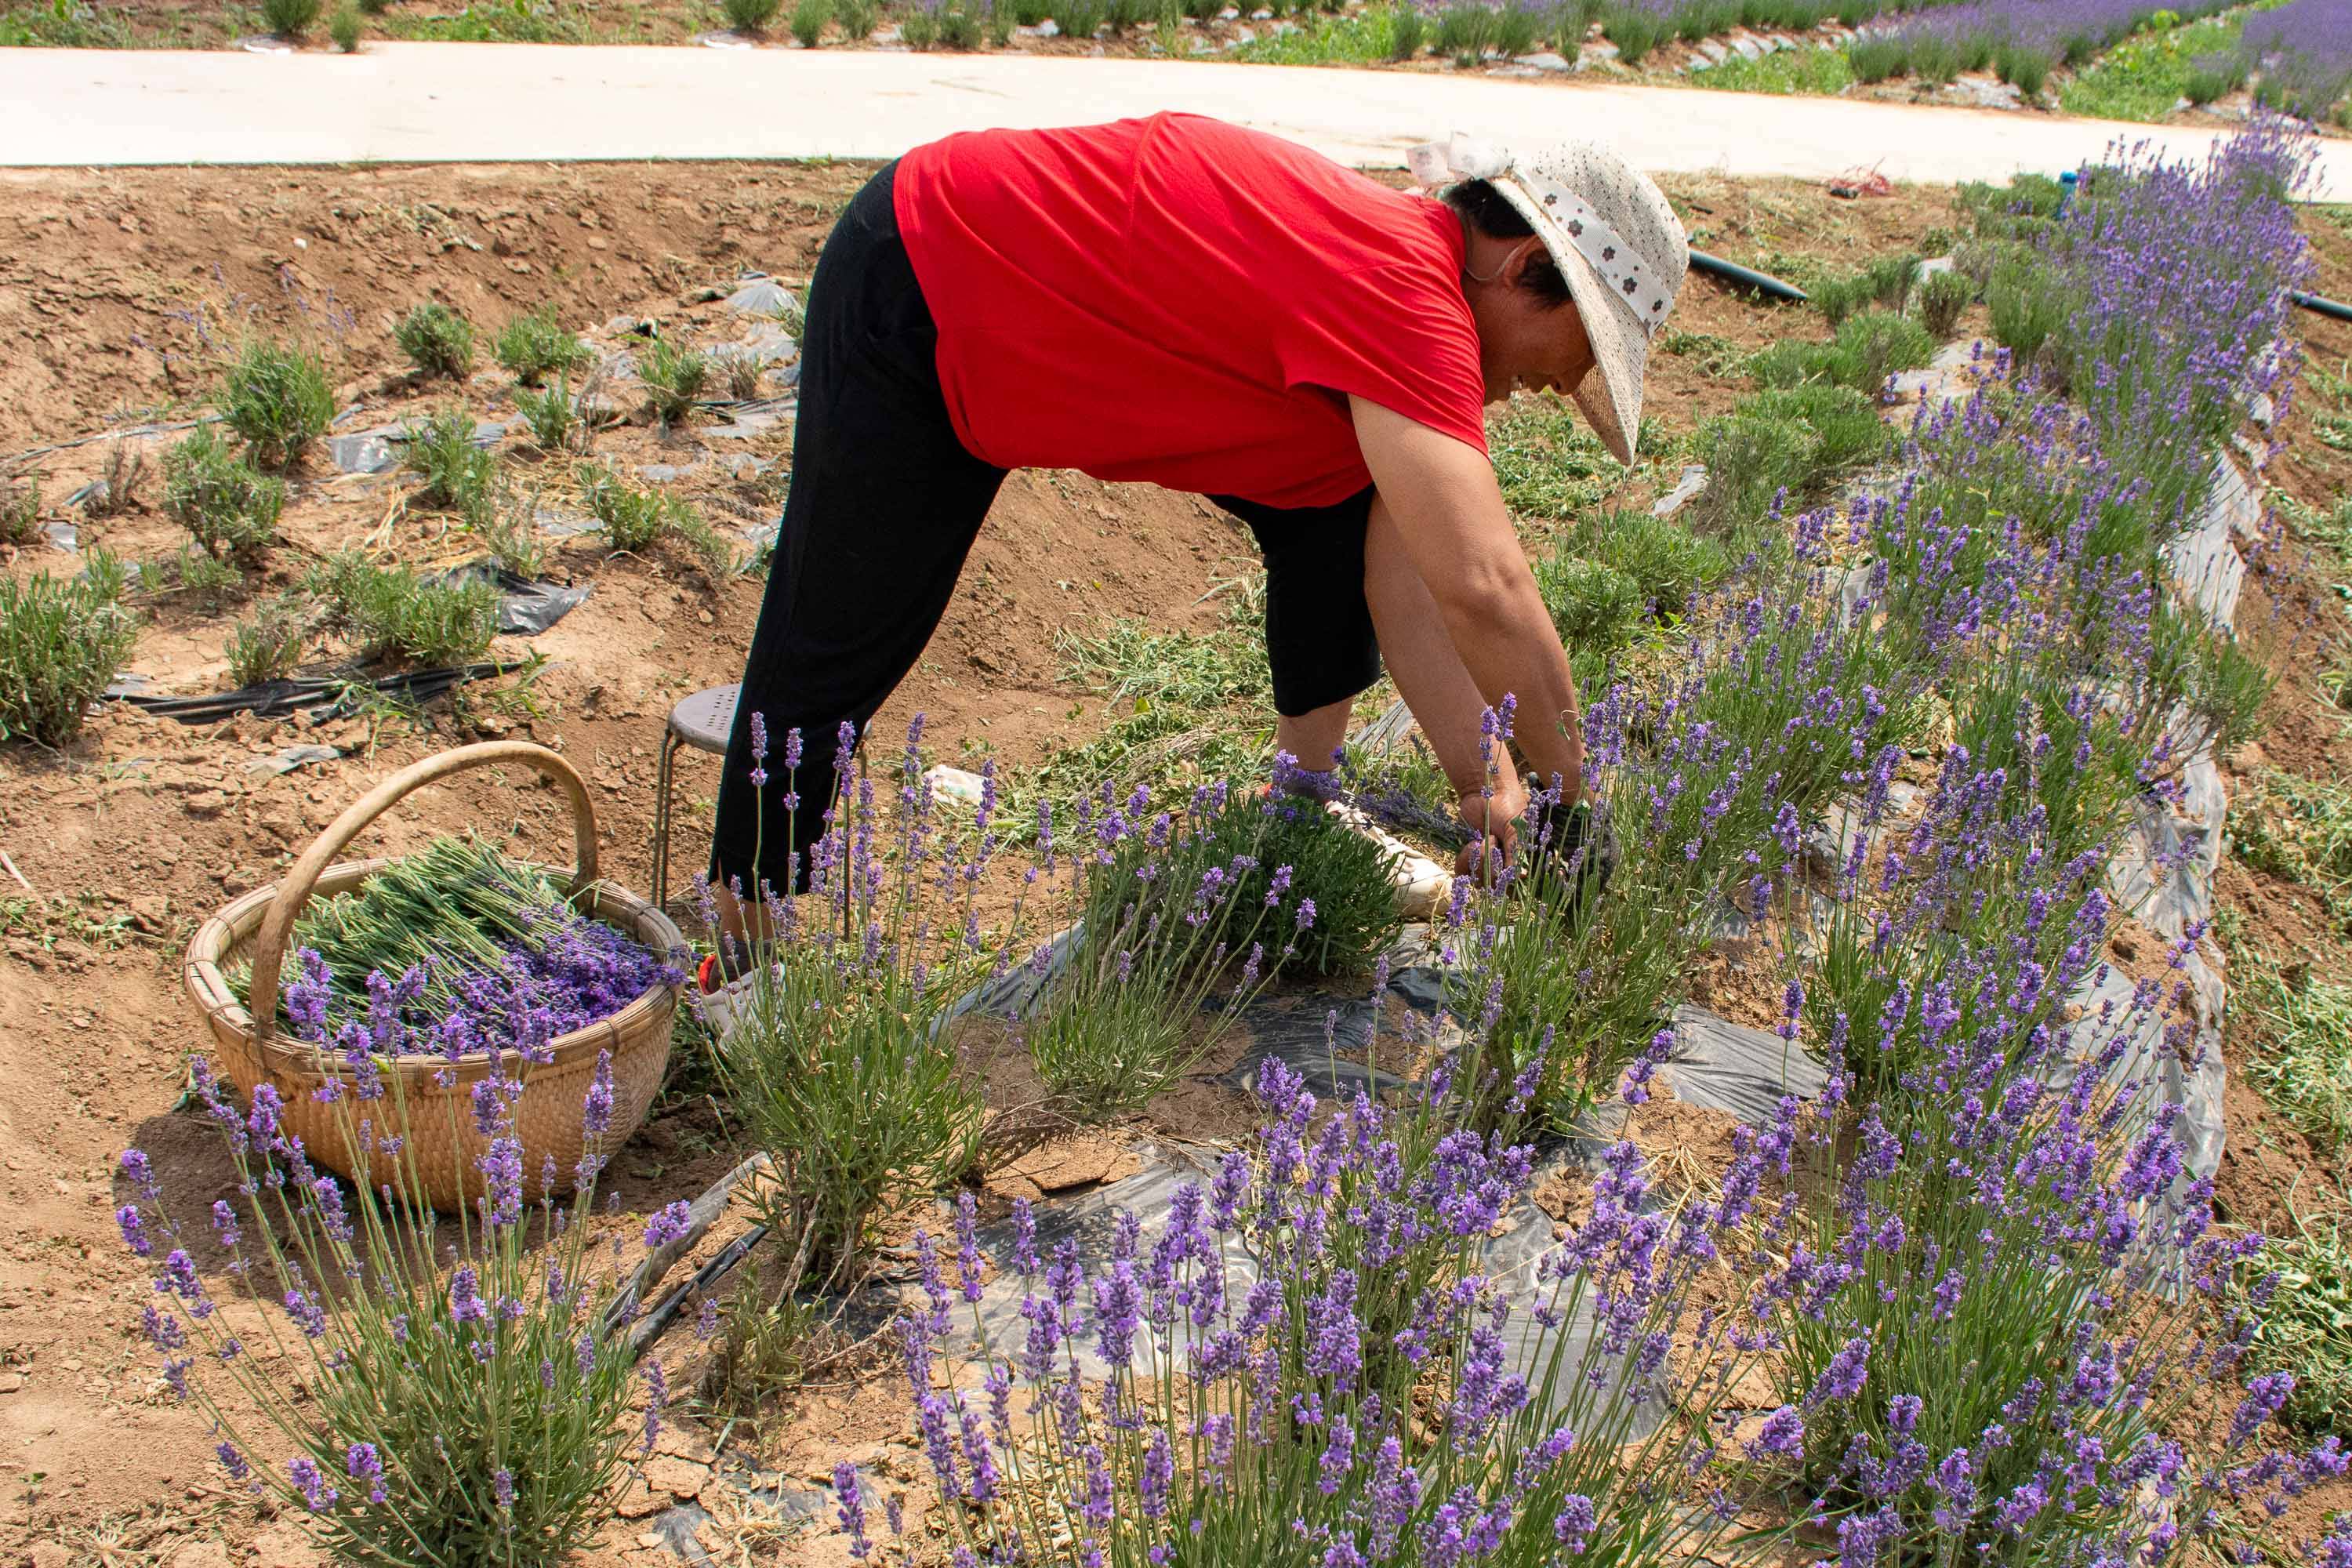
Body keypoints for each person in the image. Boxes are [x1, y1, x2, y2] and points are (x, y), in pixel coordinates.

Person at [706, 113, 1689, 937]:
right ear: (1522, 267)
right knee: (840, 640)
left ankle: (1299, 812)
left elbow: (1408, 581)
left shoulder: (1399, 291)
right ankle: (738, 942)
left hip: (1027, 326)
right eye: (1580, 351)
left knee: (1335, 512)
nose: (1563, 384)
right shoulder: (1406, 296)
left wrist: (1489, 784)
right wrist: (1572, 808)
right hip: (934, 269)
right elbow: (1487, 585)